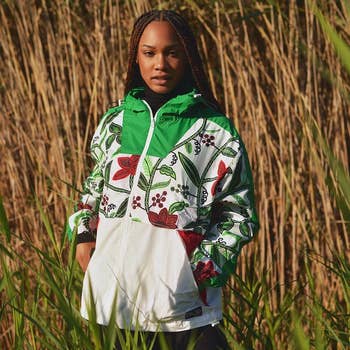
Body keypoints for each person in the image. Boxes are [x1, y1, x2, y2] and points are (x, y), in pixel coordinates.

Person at [67, 9, 259, 350]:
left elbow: (238, 215)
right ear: (135, 57)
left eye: (172, 52)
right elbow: (93, 189)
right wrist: (83, 234)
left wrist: (196, 273)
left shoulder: (214, 131)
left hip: (183, 310)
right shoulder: (116, 122)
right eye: (150, 52)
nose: (161, 64)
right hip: (114, 307)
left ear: (186, 56)